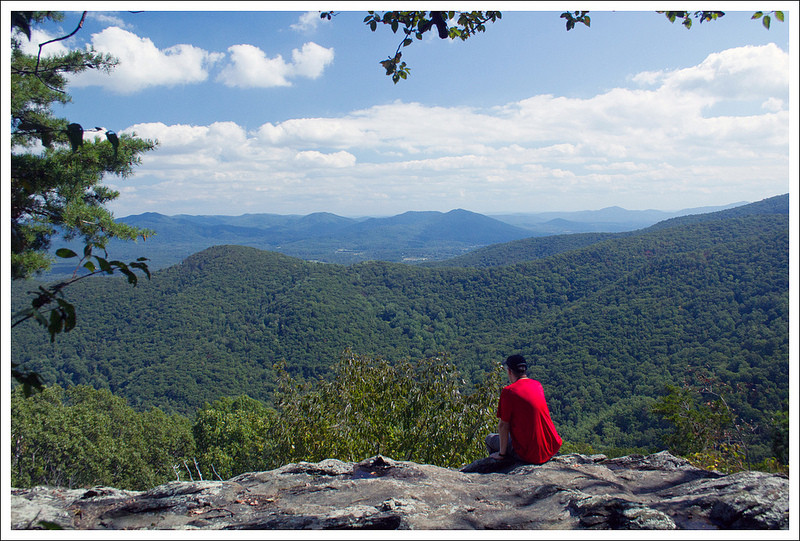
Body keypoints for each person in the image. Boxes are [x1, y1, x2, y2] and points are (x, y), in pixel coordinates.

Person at [486, 354, 562, 464]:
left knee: (490, 439)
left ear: (509, 371)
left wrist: (502, 453)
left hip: (530, 454)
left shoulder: (509, 392)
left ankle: (502, 465)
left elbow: (503, 425)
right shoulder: (537, 385)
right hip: (551, 448)